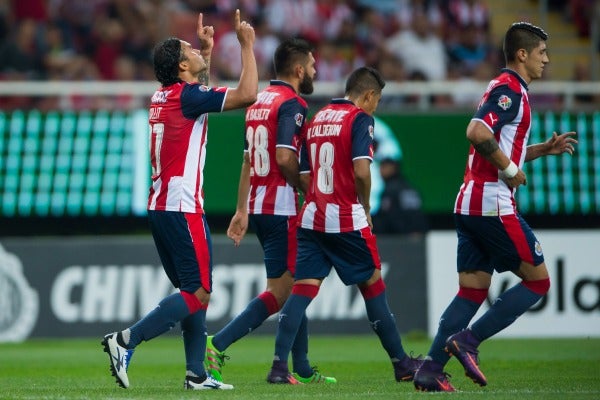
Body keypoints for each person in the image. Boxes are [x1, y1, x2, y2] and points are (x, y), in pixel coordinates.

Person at [413, 22, 577, 392]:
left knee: (472, 290)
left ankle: (430, 369)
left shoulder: (504, 89)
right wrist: (511, 168)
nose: (547, 60)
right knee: (540, 281)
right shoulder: (510, 90)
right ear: (522, 54)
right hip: (491, 203)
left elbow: (498, 148)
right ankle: (468, 341)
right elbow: (476, 132)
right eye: (541, 53)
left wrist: (536, 152)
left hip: (469, 201)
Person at [101, 9, 258, 391]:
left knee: (192, 291)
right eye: (192, 48)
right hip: (181, 205)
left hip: (162, 206)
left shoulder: (164, 95)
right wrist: (246, 46)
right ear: (183, 64)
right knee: (199, 291)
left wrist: (206, 50)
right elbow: (248, 94)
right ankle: (125, 340)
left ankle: (196, 374)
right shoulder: (187, 97)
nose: (198, 47)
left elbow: (196, 94)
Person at [266, 67, 422, 384]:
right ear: (368, 95)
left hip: (311, 216)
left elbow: (306, 175)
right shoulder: (360, 119)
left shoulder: (319, 116)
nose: (375, 106)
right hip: (345, 218)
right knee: (373, 285)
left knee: (302, 291)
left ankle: (279, 367)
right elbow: (363, 171)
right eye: (376, 100)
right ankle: (401, 363)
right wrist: (364, 205)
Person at [204, 37, 335, 385]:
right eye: (311, 65)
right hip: (283, 207)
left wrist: (241, 209)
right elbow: (282, 157)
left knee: (294, 283)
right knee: (284, 292)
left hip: (261, 207)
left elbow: (248, 159)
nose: (314, 70)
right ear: (297, 69)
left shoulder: (258, 101)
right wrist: (308, 190)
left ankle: (303, 367)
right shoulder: (292, 104)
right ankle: (217, 343)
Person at [372, 158, 428, 236]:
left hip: (398, 238)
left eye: (383, 167)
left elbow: (386, 216)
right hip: (416, 235)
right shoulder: (410, 187)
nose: (380, 171)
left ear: (392, 168)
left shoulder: (390, 190)